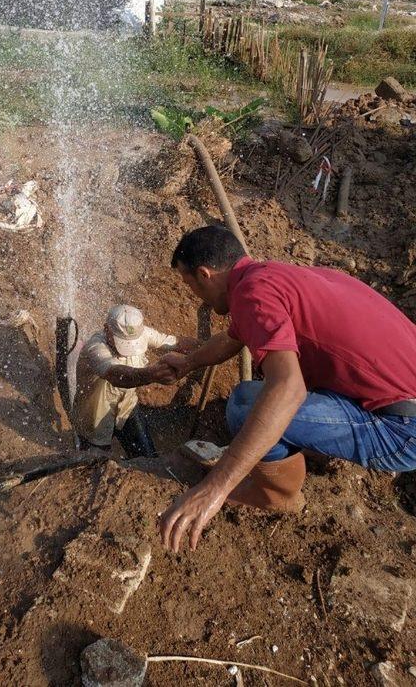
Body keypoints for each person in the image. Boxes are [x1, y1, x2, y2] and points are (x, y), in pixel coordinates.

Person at [158, 225, 416, 553]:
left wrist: (215, 487)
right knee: (263, 397)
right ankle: (310, 449)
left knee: (246, 406)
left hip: (403, 429)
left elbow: (289, 389)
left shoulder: (252, 296)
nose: (195, 295)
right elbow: (233, 338)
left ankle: (277, 497)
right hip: (398, 396)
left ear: (204, 274)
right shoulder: (274, 277)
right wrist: (189, 362)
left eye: (188, 284)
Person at [73, 305, 196, 458]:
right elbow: (115, 375)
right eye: (123, 342)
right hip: (95, 417)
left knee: (148, 459)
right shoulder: (96, 347)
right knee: (96, 464)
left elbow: (175, 343)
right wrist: (150, 375)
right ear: (107, 329)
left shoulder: (140, 332)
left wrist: (207, 350)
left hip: (127, 408)